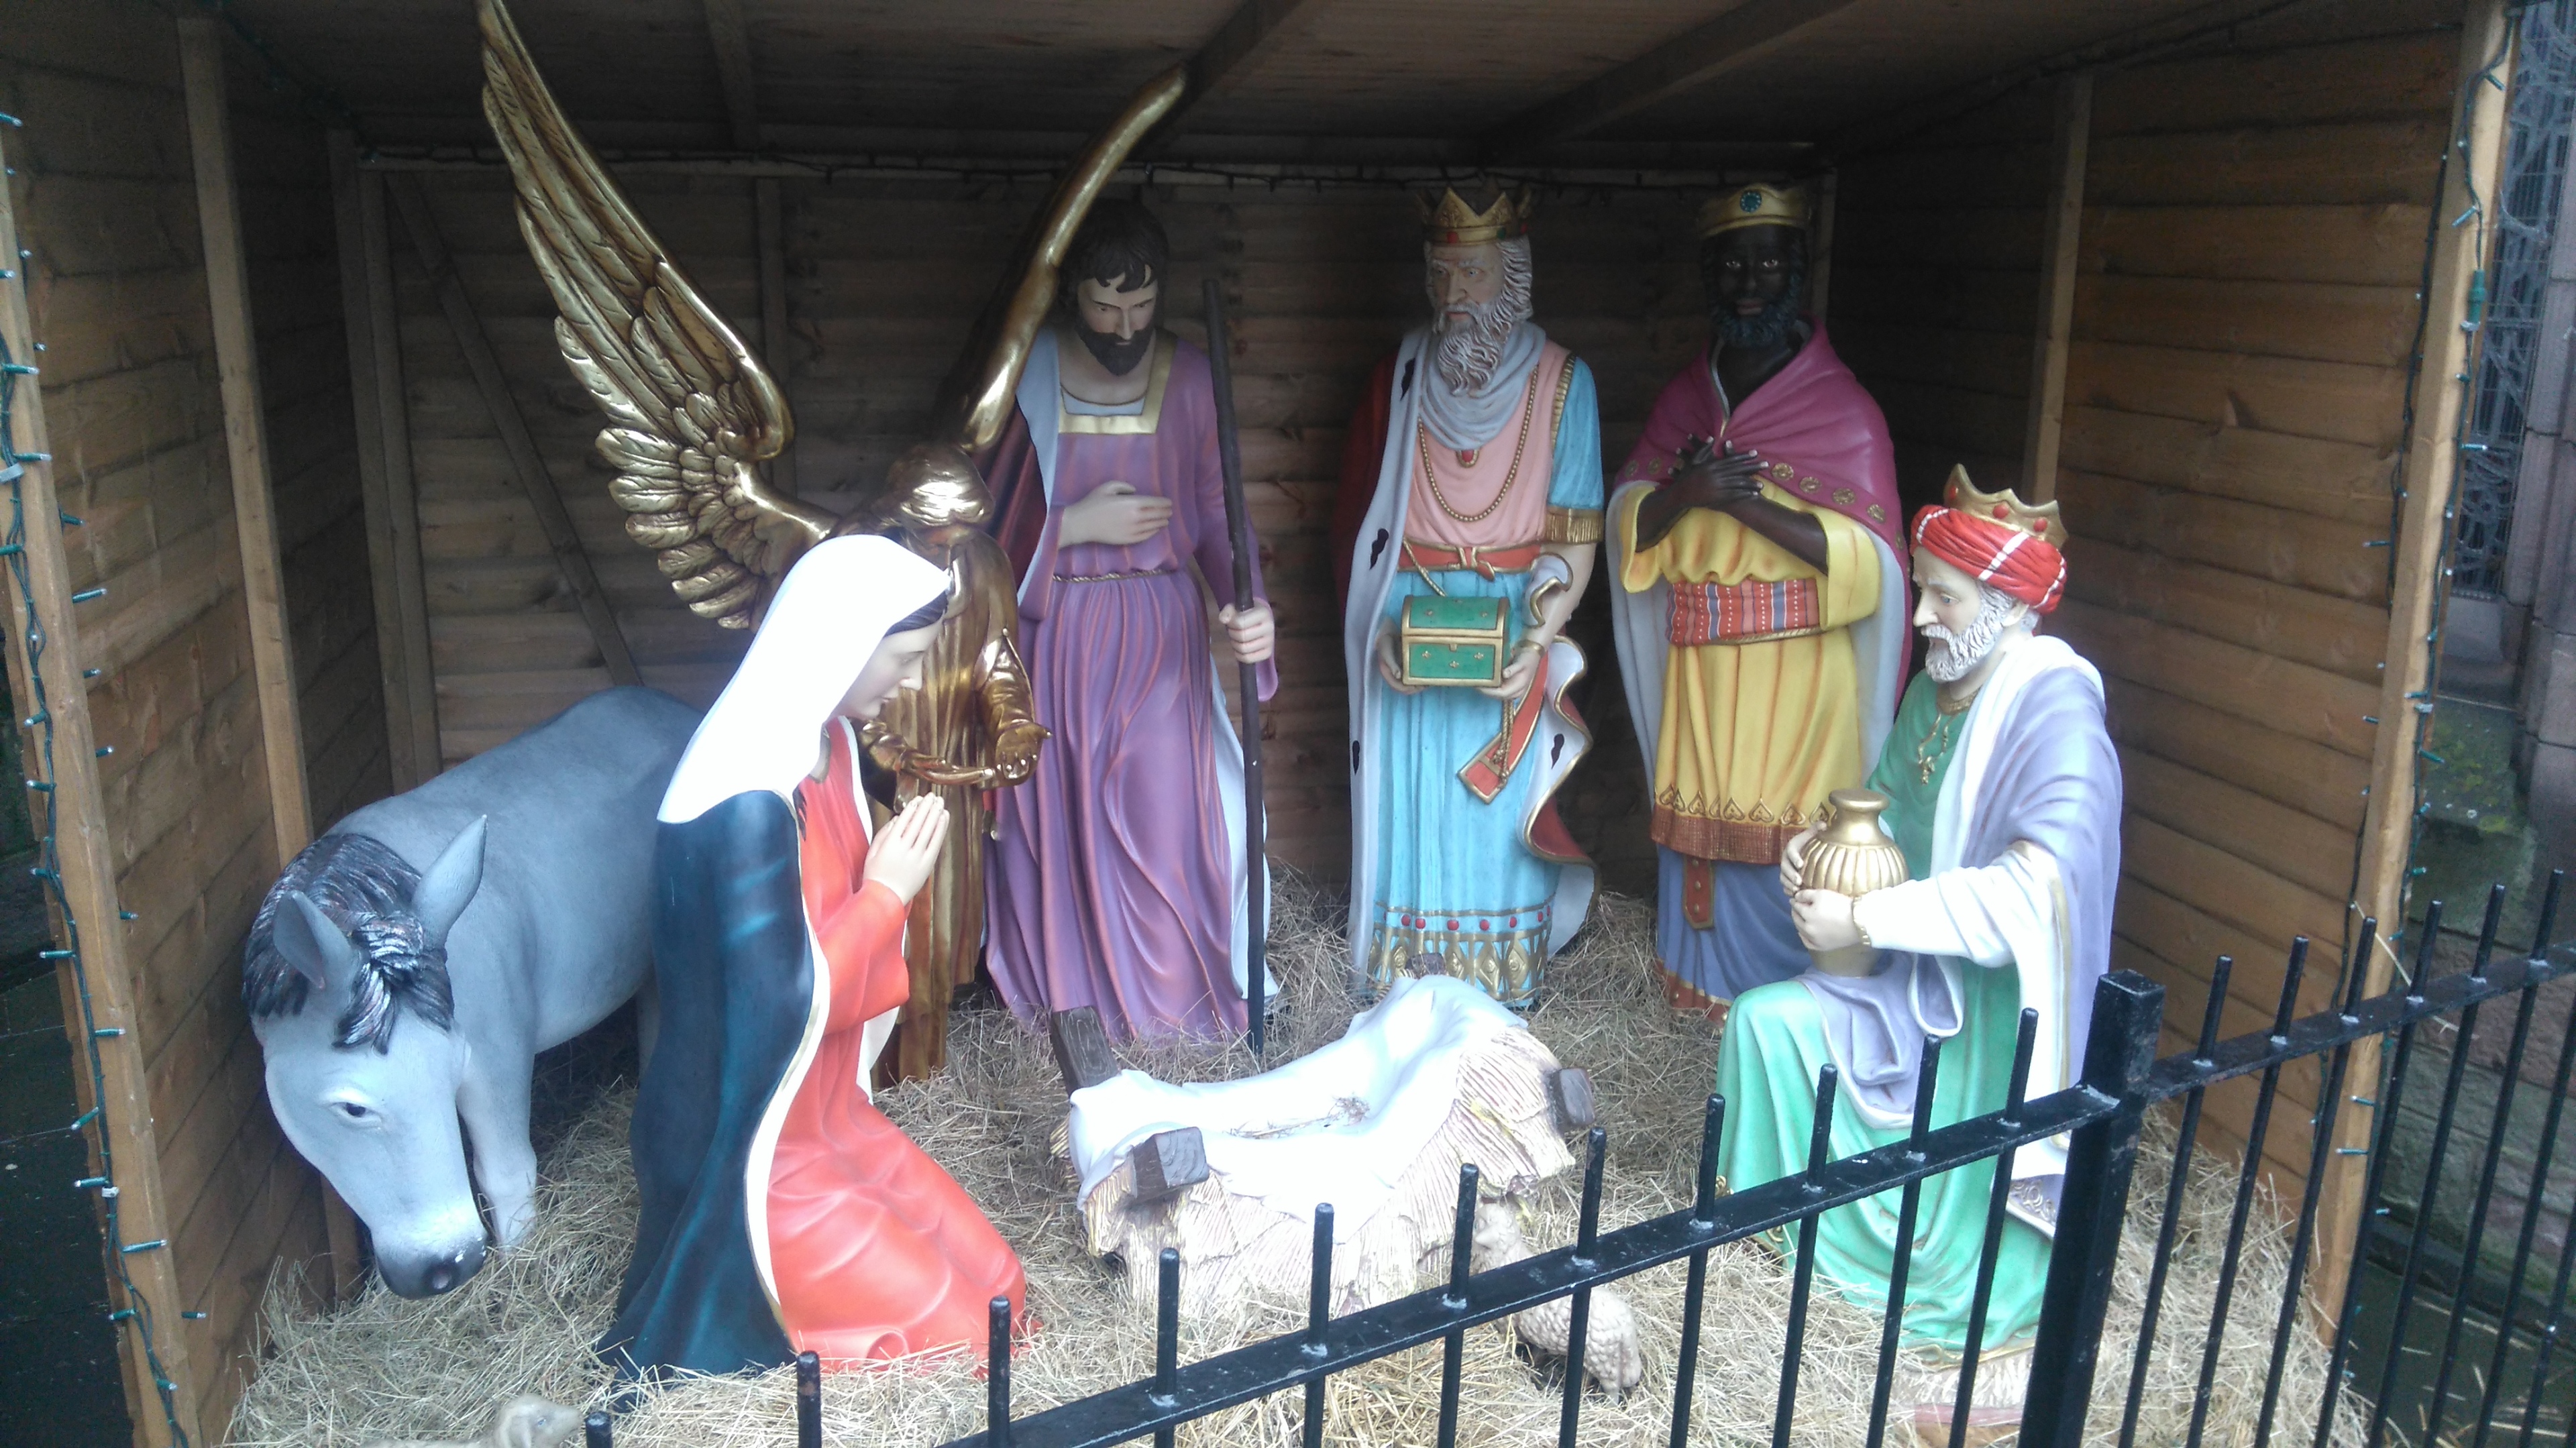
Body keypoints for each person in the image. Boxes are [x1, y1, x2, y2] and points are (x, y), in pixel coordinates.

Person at [1716, 468, 2118, 1387]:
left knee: (1949, 1202)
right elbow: (1888, 811)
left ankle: (1937, 1280)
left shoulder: (2056, 720)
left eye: (1945, 594)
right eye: (1925, 586)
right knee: (1763, 1023)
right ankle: (1780, 1238)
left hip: (1999, 1026)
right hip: (1914, 989)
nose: (1925, 615)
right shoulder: (1935, 689)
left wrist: (1867, 912)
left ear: (2009, 603)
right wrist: (1821, 846)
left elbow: (2035, 890)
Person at [603, 535, 1025, 1376]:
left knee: (1003, 1294)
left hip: (832, 1122)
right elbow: (778, 1006)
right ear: (839, 644)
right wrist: (887, 895)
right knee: (969, 1343)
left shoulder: (828, 750)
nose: (909, 684)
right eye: (900, 660)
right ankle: (776, 1339)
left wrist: (884, 894)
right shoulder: (747, 797)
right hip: (758, 1159)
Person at [975, 201, 1279, 1040]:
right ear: (1073, 293)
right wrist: (1072, 525)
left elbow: (1218, 511)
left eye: (1141, 308)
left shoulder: (1186, 377)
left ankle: (1177, 1021)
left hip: (1156, 638)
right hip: (1054, 634)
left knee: (1161, 821)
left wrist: (1244, 601)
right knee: (1059, 832)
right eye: (1107, 307)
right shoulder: (1025, 374)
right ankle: (1073, 1023)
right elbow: (974, 519)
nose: (1124, 326)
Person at [1608, 182, 1909, 1023]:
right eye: (1734, 264)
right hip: (1703, 671)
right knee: (1701, 829)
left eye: (1770, 262)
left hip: (1801, 677)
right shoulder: (1684, 403)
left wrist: (1743, 504)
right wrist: (1689, 489)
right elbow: (1630, 522)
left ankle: (1779, 1015)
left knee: (1787, 836)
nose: (1751, 281)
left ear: (1798, 274)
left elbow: (1877, 564)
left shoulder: (1843, 412)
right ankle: (1698, 1009)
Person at [1330, 185, 1601, 1005]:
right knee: (1413, 814)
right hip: (1411, 615)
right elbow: (1361, 528)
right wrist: (1378, 626)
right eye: (1441, 275)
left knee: (1490, 826)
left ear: (1512, 278)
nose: (1454, 297)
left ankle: (1491, 994)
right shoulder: (1399, 377)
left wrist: (1535, 637)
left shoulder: (1563, 383)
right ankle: (1407, 991)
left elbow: (1575, 532)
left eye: (1472, 275)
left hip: (1513, 616)